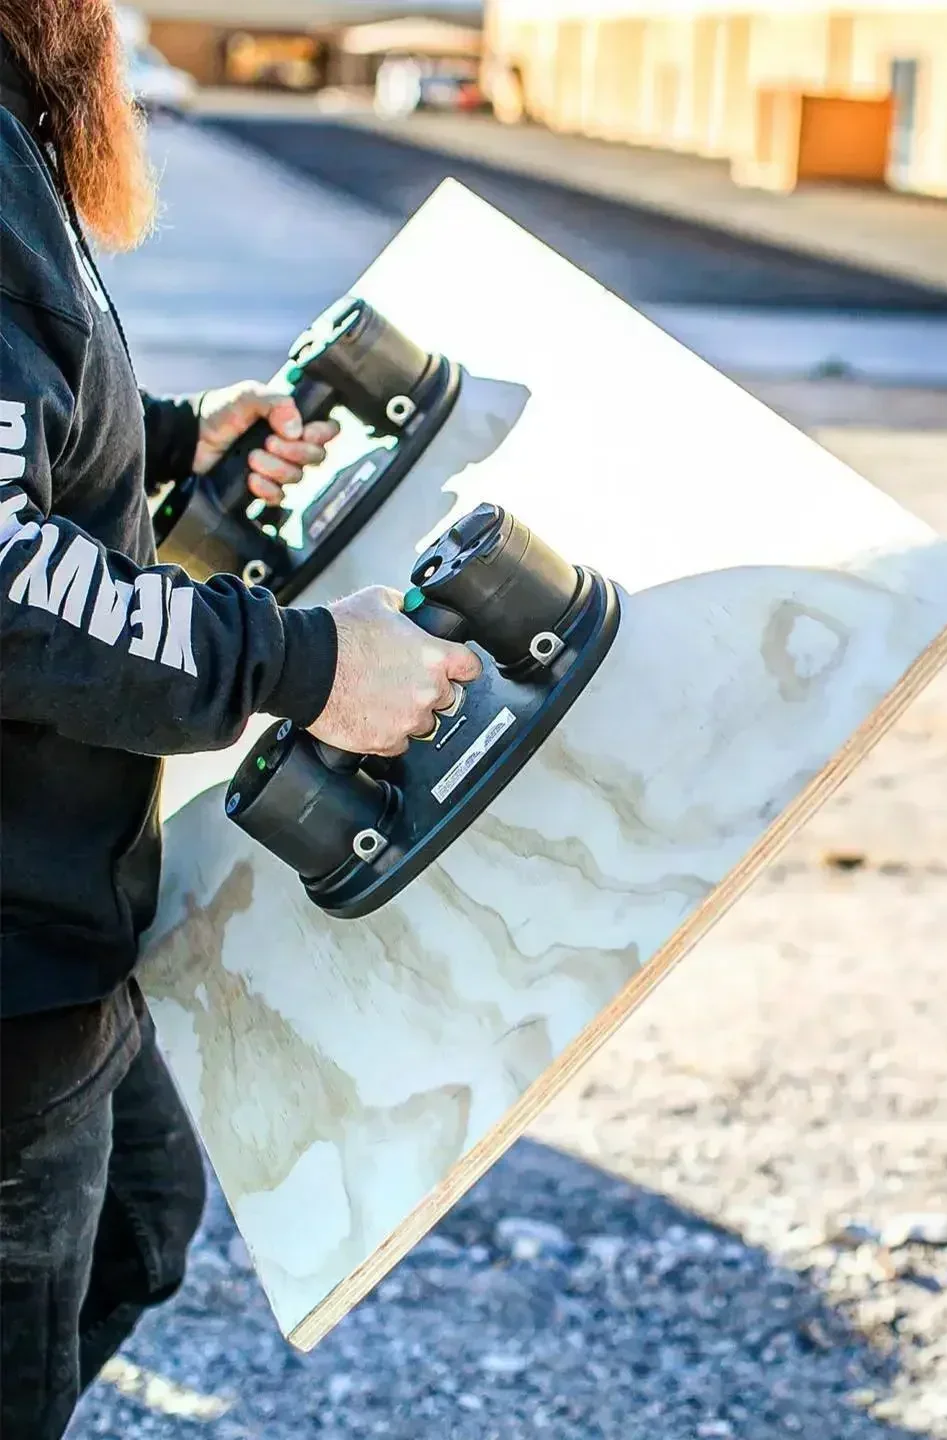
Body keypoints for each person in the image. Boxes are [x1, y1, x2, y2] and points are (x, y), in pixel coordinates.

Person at [0, 5, 482, 1436]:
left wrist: (161, 437)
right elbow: (7, 583)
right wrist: (304, 662)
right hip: (11, 965)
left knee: (144, 1221)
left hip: (52, 929)